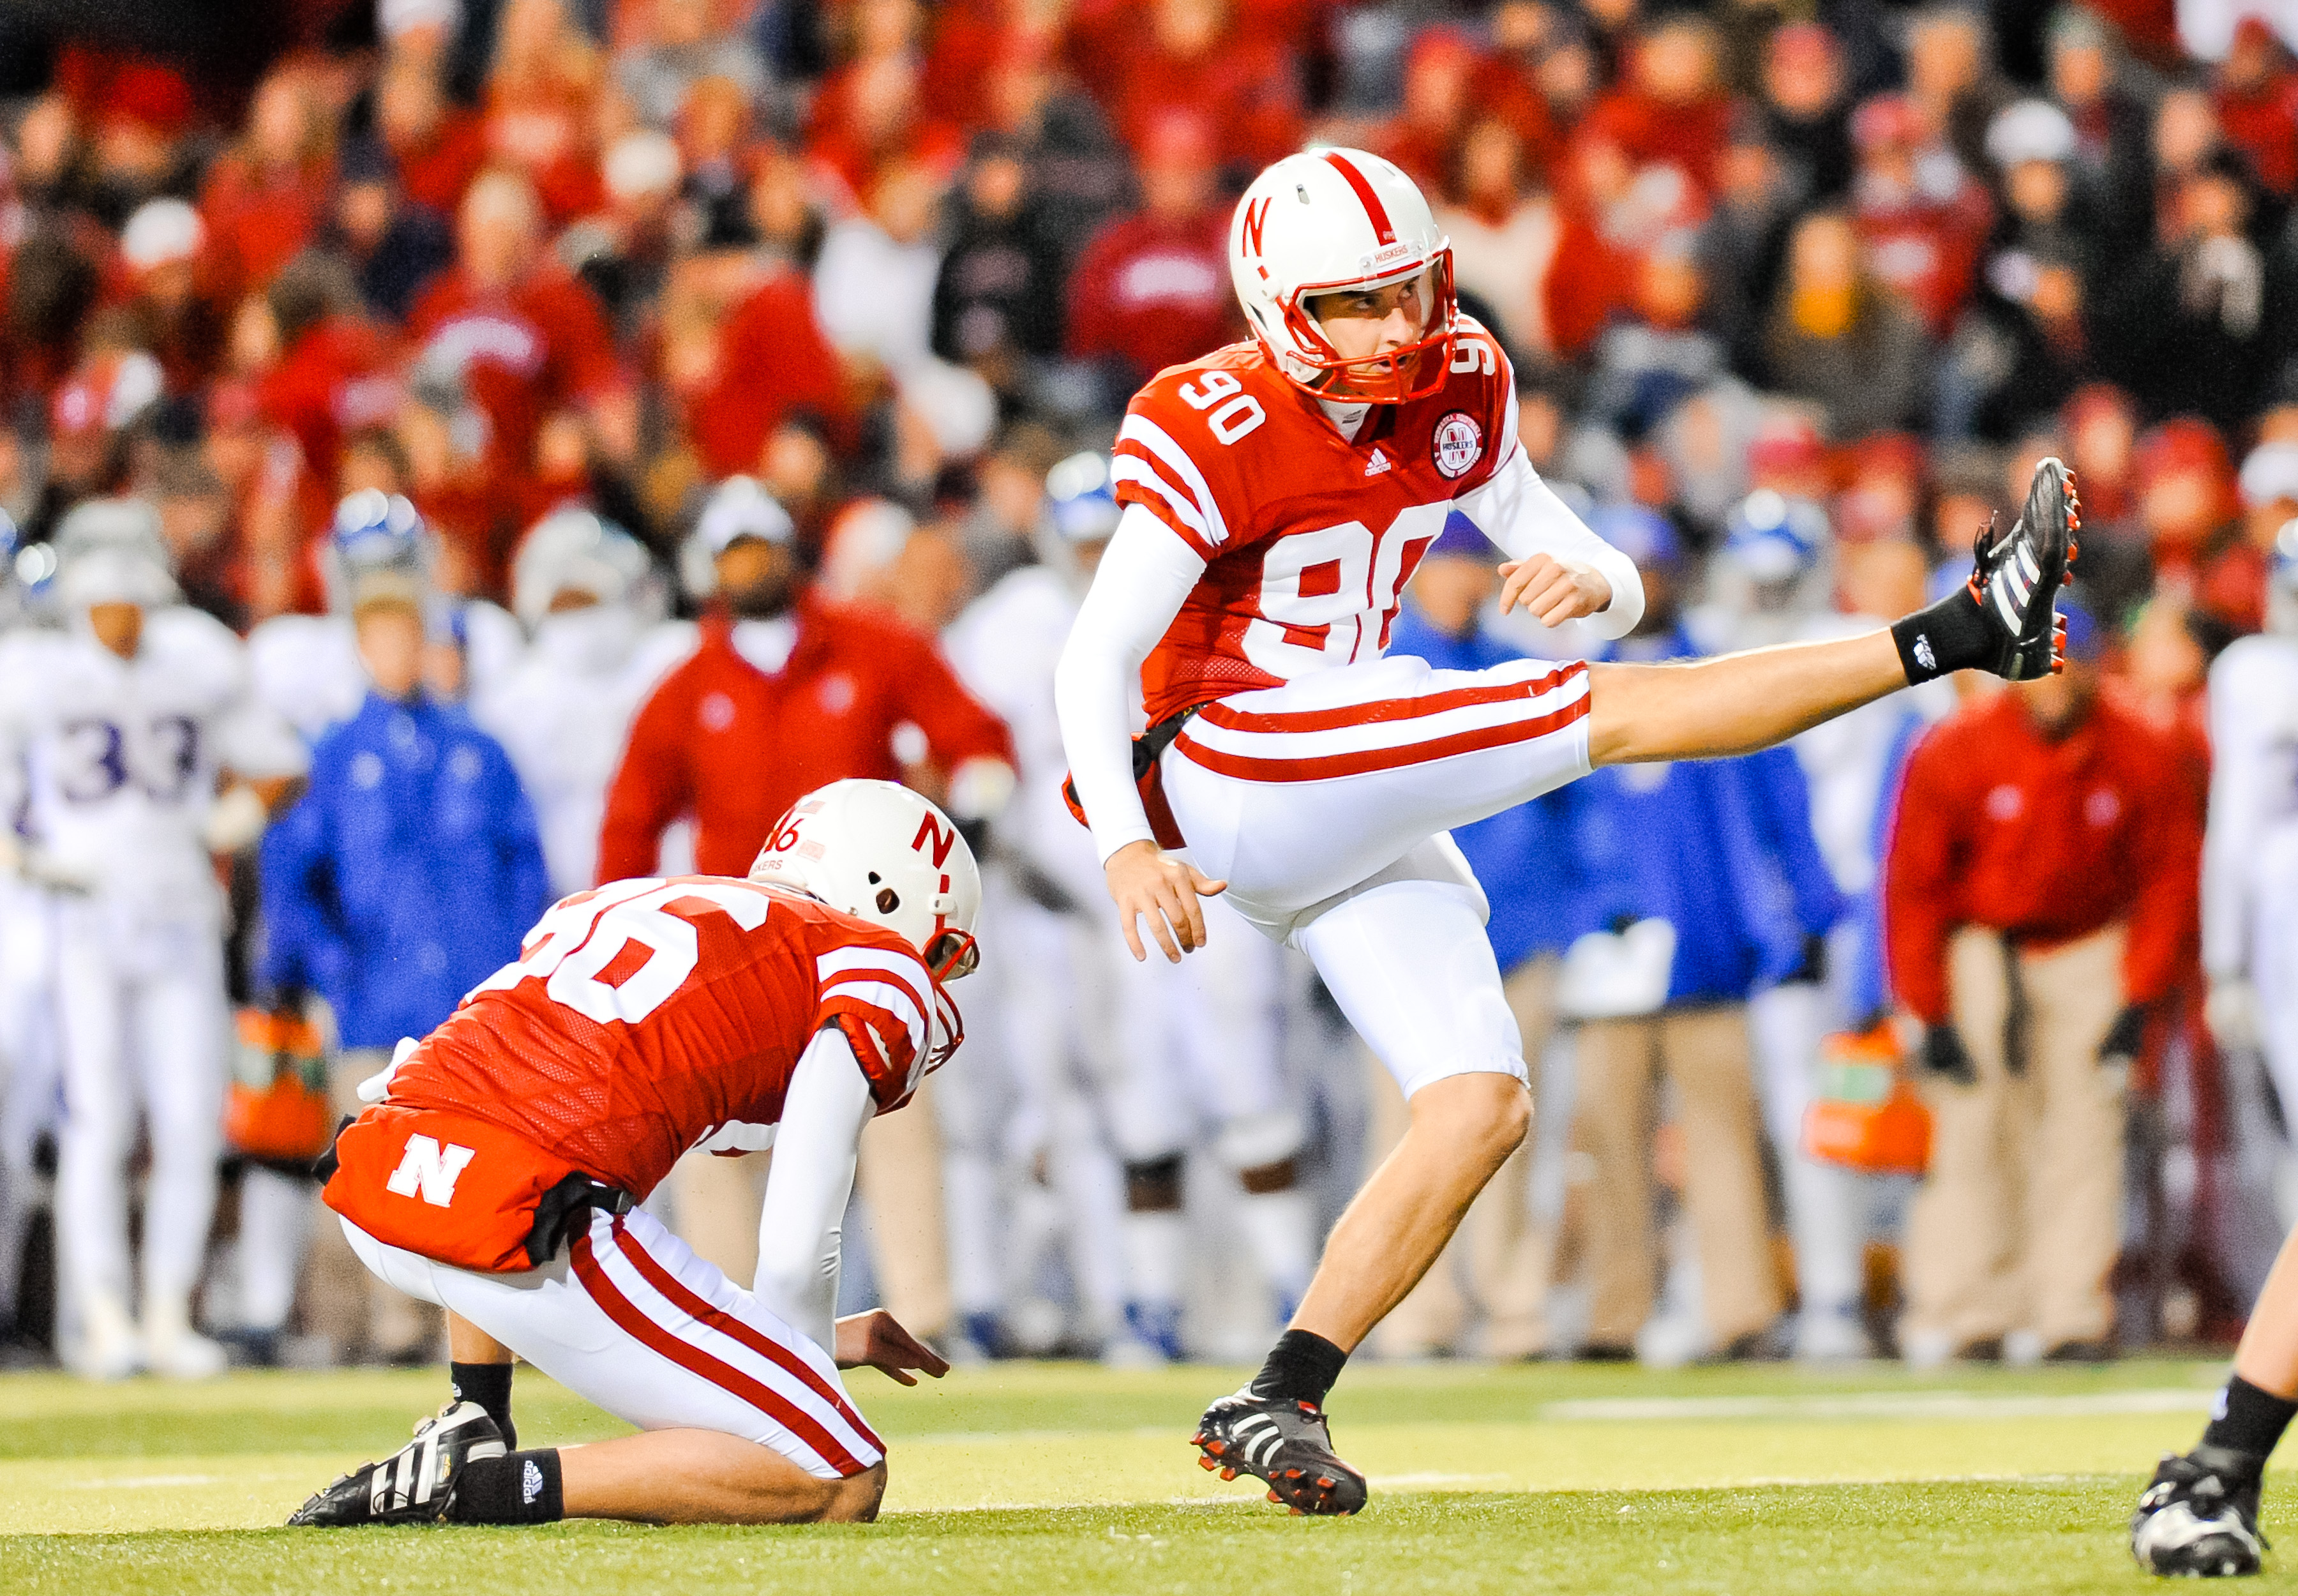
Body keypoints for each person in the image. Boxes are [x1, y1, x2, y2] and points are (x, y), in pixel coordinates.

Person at [1052, 146, 2076, 1516]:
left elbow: (1597, 563)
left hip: (1338, 768)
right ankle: (1961, 631)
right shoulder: (1209, 418)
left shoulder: (1461, 380)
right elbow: (1093, 656)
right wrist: (1126, 842)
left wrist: (1584, 575)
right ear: (1274, 305)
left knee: (1482, 1102)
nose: (1399, 328)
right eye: (1357, 305)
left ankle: (1279, 1388)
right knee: (1629, 715)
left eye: (1411, 292)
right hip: (1236, 757)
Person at [285, 779, 968, 1527]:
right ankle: (471, 1491)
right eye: (939, 951)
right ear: (891, 900)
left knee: (516, 1110)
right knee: (837, 1469)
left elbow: (494, 1071)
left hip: (384, 1169)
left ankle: (474, 1415)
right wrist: (804, 1371)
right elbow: (798, 1242)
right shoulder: (872, 960)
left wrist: (815, 1342)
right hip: (522, 1212)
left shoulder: (625, 901)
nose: (928, 976)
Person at [599, 475, 1014, 1344]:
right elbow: (632, 819)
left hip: (863, 939)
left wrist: (966, 805)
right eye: (734, 553)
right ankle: (734, 1336)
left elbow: (976, 739)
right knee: (719, 1140)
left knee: (896, 1119)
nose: (752, 567)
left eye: (763, 548)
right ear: (711, 567)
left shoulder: (871, 647)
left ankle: (923, 1317)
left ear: (791, 550)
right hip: (738, 949)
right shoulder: (687, 684)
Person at [0, 499, 306, 1379]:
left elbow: (281, 759)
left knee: (187, 1119)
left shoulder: (194, 660)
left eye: (132, 602)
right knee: (96, 1119)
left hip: (179, 916)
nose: (120, 620)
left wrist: (232, 818)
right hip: (85, 918)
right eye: (104, 605)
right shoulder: (37, 671)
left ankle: (168, 1308)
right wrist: (20, 847)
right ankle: (101, 1313)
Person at [261, 502, 550, 1364]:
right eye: (379, 635)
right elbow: (293, 879)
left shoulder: (478, 749)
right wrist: (326, 968)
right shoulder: (335, 754)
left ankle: (472, 1336)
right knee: (369, 1172)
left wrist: (517, 974)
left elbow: (527, 871)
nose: (394, 650)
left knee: (473, 1171)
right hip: (375, 997)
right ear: (360, 644)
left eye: (405, 633)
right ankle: (368, 1331)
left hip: (470, 999)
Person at [1883, 599, 2201, 1366]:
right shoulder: (1957, 747)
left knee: (2084, 1128)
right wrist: (1930, 1009)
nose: (2057, 679)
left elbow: (2169, 878)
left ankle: (2068, 1310)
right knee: (1972, 1127)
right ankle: (1967, 1307)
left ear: (2096, 666)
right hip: (1982, 949)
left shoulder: (2141, 747)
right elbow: (1915, 885)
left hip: (2090, 945)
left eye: (2072, 662)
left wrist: (2139, 996)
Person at [473, 511, 692, 898]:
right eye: (566, 605)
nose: (580, 620)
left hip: (672, 893)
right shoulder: (517, 699)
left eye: (591, 600)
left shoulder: (669, 662)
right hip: (560, 903)